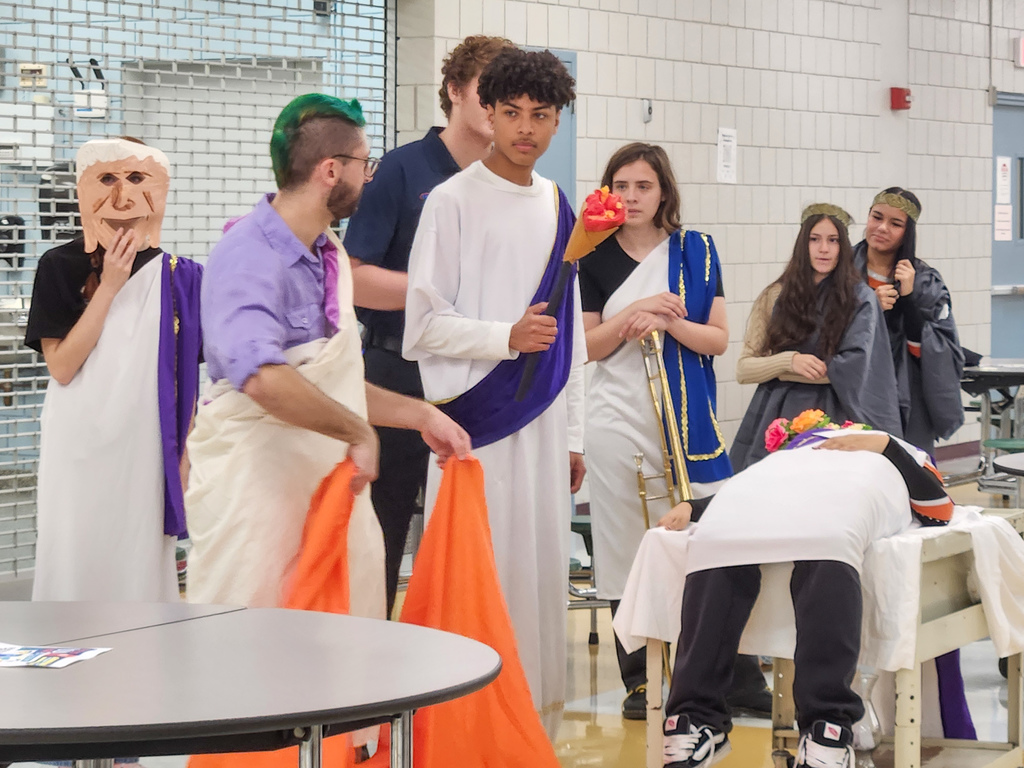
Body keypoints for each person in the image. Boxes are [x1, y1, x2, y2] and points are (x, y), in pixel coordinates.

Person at [185, 93, 469, 627]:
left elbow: (332, 383)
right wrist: (359, 433)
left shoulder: (328, 251)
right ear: (331, 170)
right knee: (249, 639)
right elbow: (264, 379)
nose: (370, 176)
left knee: (342, 641)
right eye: (366, 164)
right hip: (255, 489)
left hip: (327, 486)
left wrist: (422, 415)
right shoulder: (247, 253)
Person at [403, 47, 584, 735]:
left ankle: (531, 725)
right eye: (511, 113)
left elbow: (568, 333)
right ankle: (465, 726)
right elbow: (422, 326)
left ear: (557, 122)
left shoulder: (560, 206)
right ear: (487, 112)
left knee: (538, 574)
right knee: (477, 576)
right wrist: (503, 338)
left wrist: (572, 435)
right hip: (475, 424)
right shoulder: (450, 202)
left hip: (541, 426)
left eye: (541, 116)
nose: (525, 129)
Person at [657, 429, 953, 768]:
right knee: (714, 542)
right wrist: (694, 507)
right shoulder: (799, 447)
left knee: (828, 545)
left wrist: (887, 446)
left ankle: (827, 726)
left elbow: (939, 509)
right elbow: (755, 489)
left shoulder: (896, 449)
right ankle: (696, 718)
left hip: (846, 501)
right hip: (779, 491)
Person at [344, 35, 514, 616]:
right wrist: (442, 304)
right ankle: (366, 677)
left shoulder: (509, 181)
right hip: (397, 369)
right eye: (488, 91)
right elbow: (354, 275)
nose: (498, 107)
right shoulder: (401, 169)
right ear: (454, 91)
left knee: (469, 525)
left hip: (475, 371)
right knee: (385, 525)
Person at [579, 142, 732, 719]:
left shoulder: (697, 252)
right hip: (617, 416)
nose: (631, 197)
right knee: (625, 546)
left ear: (663, 190)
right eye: (621, 186)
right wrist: (632, 314)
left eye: (643, 186)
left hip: (685, 419)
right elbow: (587, 348)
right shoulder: (591, 256)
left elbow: (716, 340)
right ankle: (639, 680)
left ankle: (700, 671)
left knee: (692, 543)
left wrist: (669, 319)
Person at [27, 137, 202, 602]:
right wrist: (109, 287)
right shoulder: (58, 266)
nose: (122, 197)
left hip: (147, 443)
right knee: (74, 556)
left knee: (139, 563)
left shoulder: (181, 276)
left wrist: (185, 454)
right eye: (107, 179)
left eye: (137, 179)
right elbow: (62, 367)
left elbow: (192, 378)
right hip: (78, 442)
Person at [729, 204, 903, 471]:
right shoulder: (775, 295)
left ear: (842, 247)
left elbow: (850, 369)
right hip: (775, 418)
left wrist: (782, 370)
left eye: (833, 241)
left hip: (833, 419)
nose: (824, 249)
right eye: (815, 239)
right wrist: (788, 361)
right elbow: (743, 369)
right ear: (803, 244)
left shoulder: (860, 299)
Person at [854, 187, 964, 455]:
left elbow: (942, 350)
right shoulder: (839, 272)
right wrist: (867, 306)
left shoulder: (926, 281)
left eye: (895, 223)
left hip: (907, 393)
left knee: (909, 475)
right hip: (850, 390)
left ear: (908, 231)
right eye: (876, 217)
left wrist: (910, 300)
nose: (882, 228)